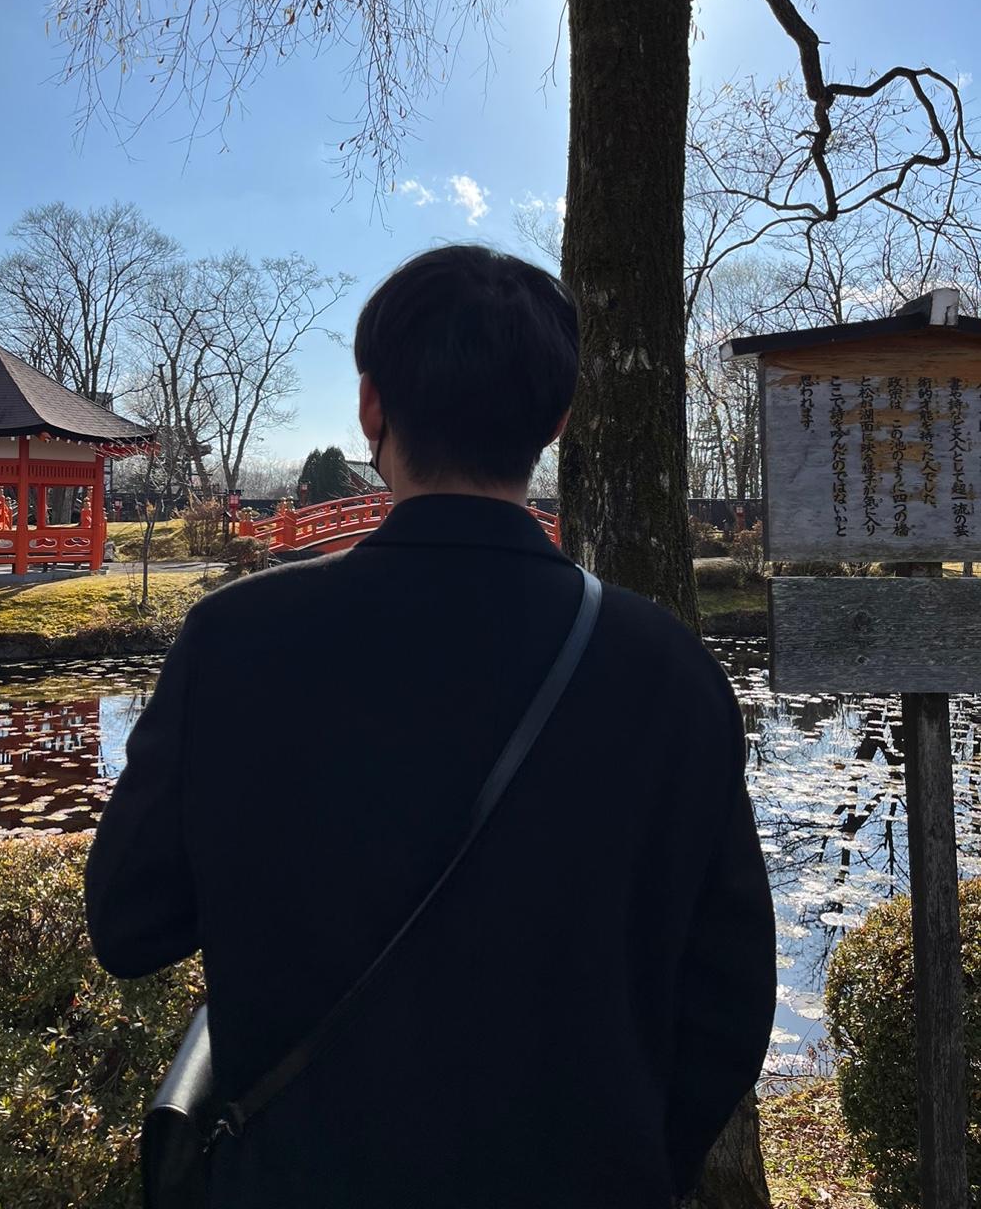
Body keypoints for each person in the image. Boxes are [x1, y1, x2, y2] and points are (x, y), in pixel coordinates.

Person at [86, 244, 776, 1209]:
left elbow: (129, 925)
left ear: (372, 407)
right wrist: (639, 1165)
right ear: (558, 419)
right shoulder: (667, 668)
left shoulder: (235, 642)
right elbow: (731, 997)